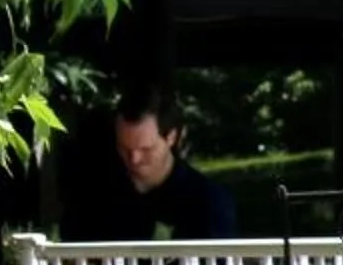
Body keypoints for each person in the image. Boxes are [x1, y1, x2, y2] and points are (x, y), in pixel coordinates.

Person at [61, 85, 236, 242]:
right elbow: (68, 262)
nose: (134, 159)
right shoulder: (94, 192)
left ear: (171, 137)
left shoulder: (206, 201)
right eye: (125, 148)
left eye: (146, 149)